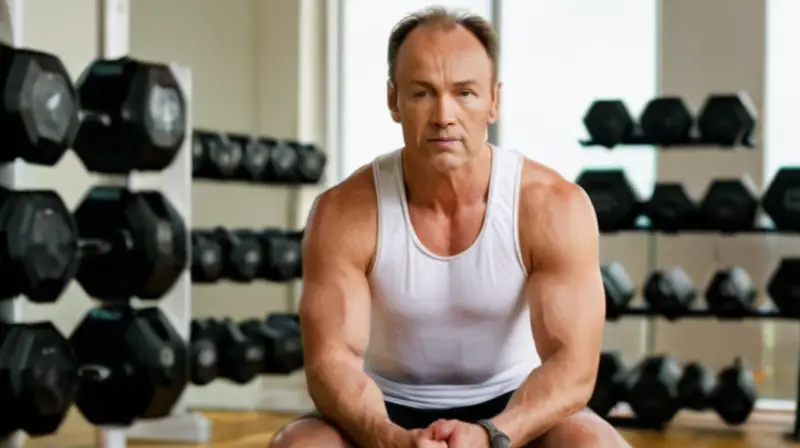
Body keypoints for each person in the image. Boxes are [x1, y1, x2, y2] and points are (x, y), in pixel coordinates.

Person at [270, 6, 631, 448]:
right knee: (300, 445)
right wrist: (390, 439)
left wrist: (492, 435)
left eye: (464, 93)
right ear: (393, 101)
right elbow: (332, 363)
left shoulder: (552, 207)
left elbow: (573, 368)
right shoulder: (343, 212)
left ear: (493, 102)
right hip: (382, 407)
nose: (444, 115)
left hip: (513, 408)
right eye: (422, 93)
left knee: (597, 445)